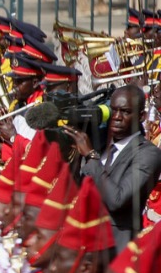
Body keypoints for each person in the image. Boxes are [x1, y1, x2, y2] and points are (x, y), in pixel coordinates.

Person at [64, 84, 161, 250]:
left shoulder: (148, 153)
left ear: (141, 116)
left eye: (125, 112)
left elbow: (117, 200)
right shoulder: (102, 146)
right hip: (89, 243)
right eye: (114, 110)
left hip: (119, 247)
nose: (117, 117)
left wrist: (91, 157)